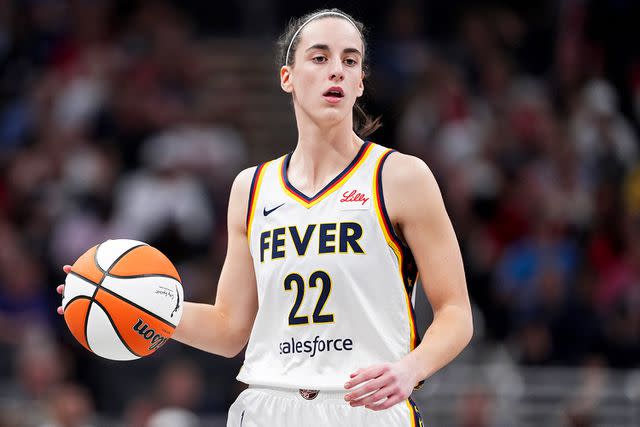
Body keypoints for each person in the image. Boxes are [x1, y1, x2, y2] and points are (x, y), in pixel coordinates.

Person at [58, 8, 473, 426]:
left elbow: (456, 311)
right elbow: (230, 328)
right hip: (268, 405)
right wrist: (128, 300)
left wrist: (410, 369)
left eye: (350, 61)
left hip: (365, 405)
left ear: (361, 80)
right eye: (320, 57)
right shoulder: (251, 188)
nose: (337, 71)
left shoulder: (401, 176)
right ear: (287, 77)